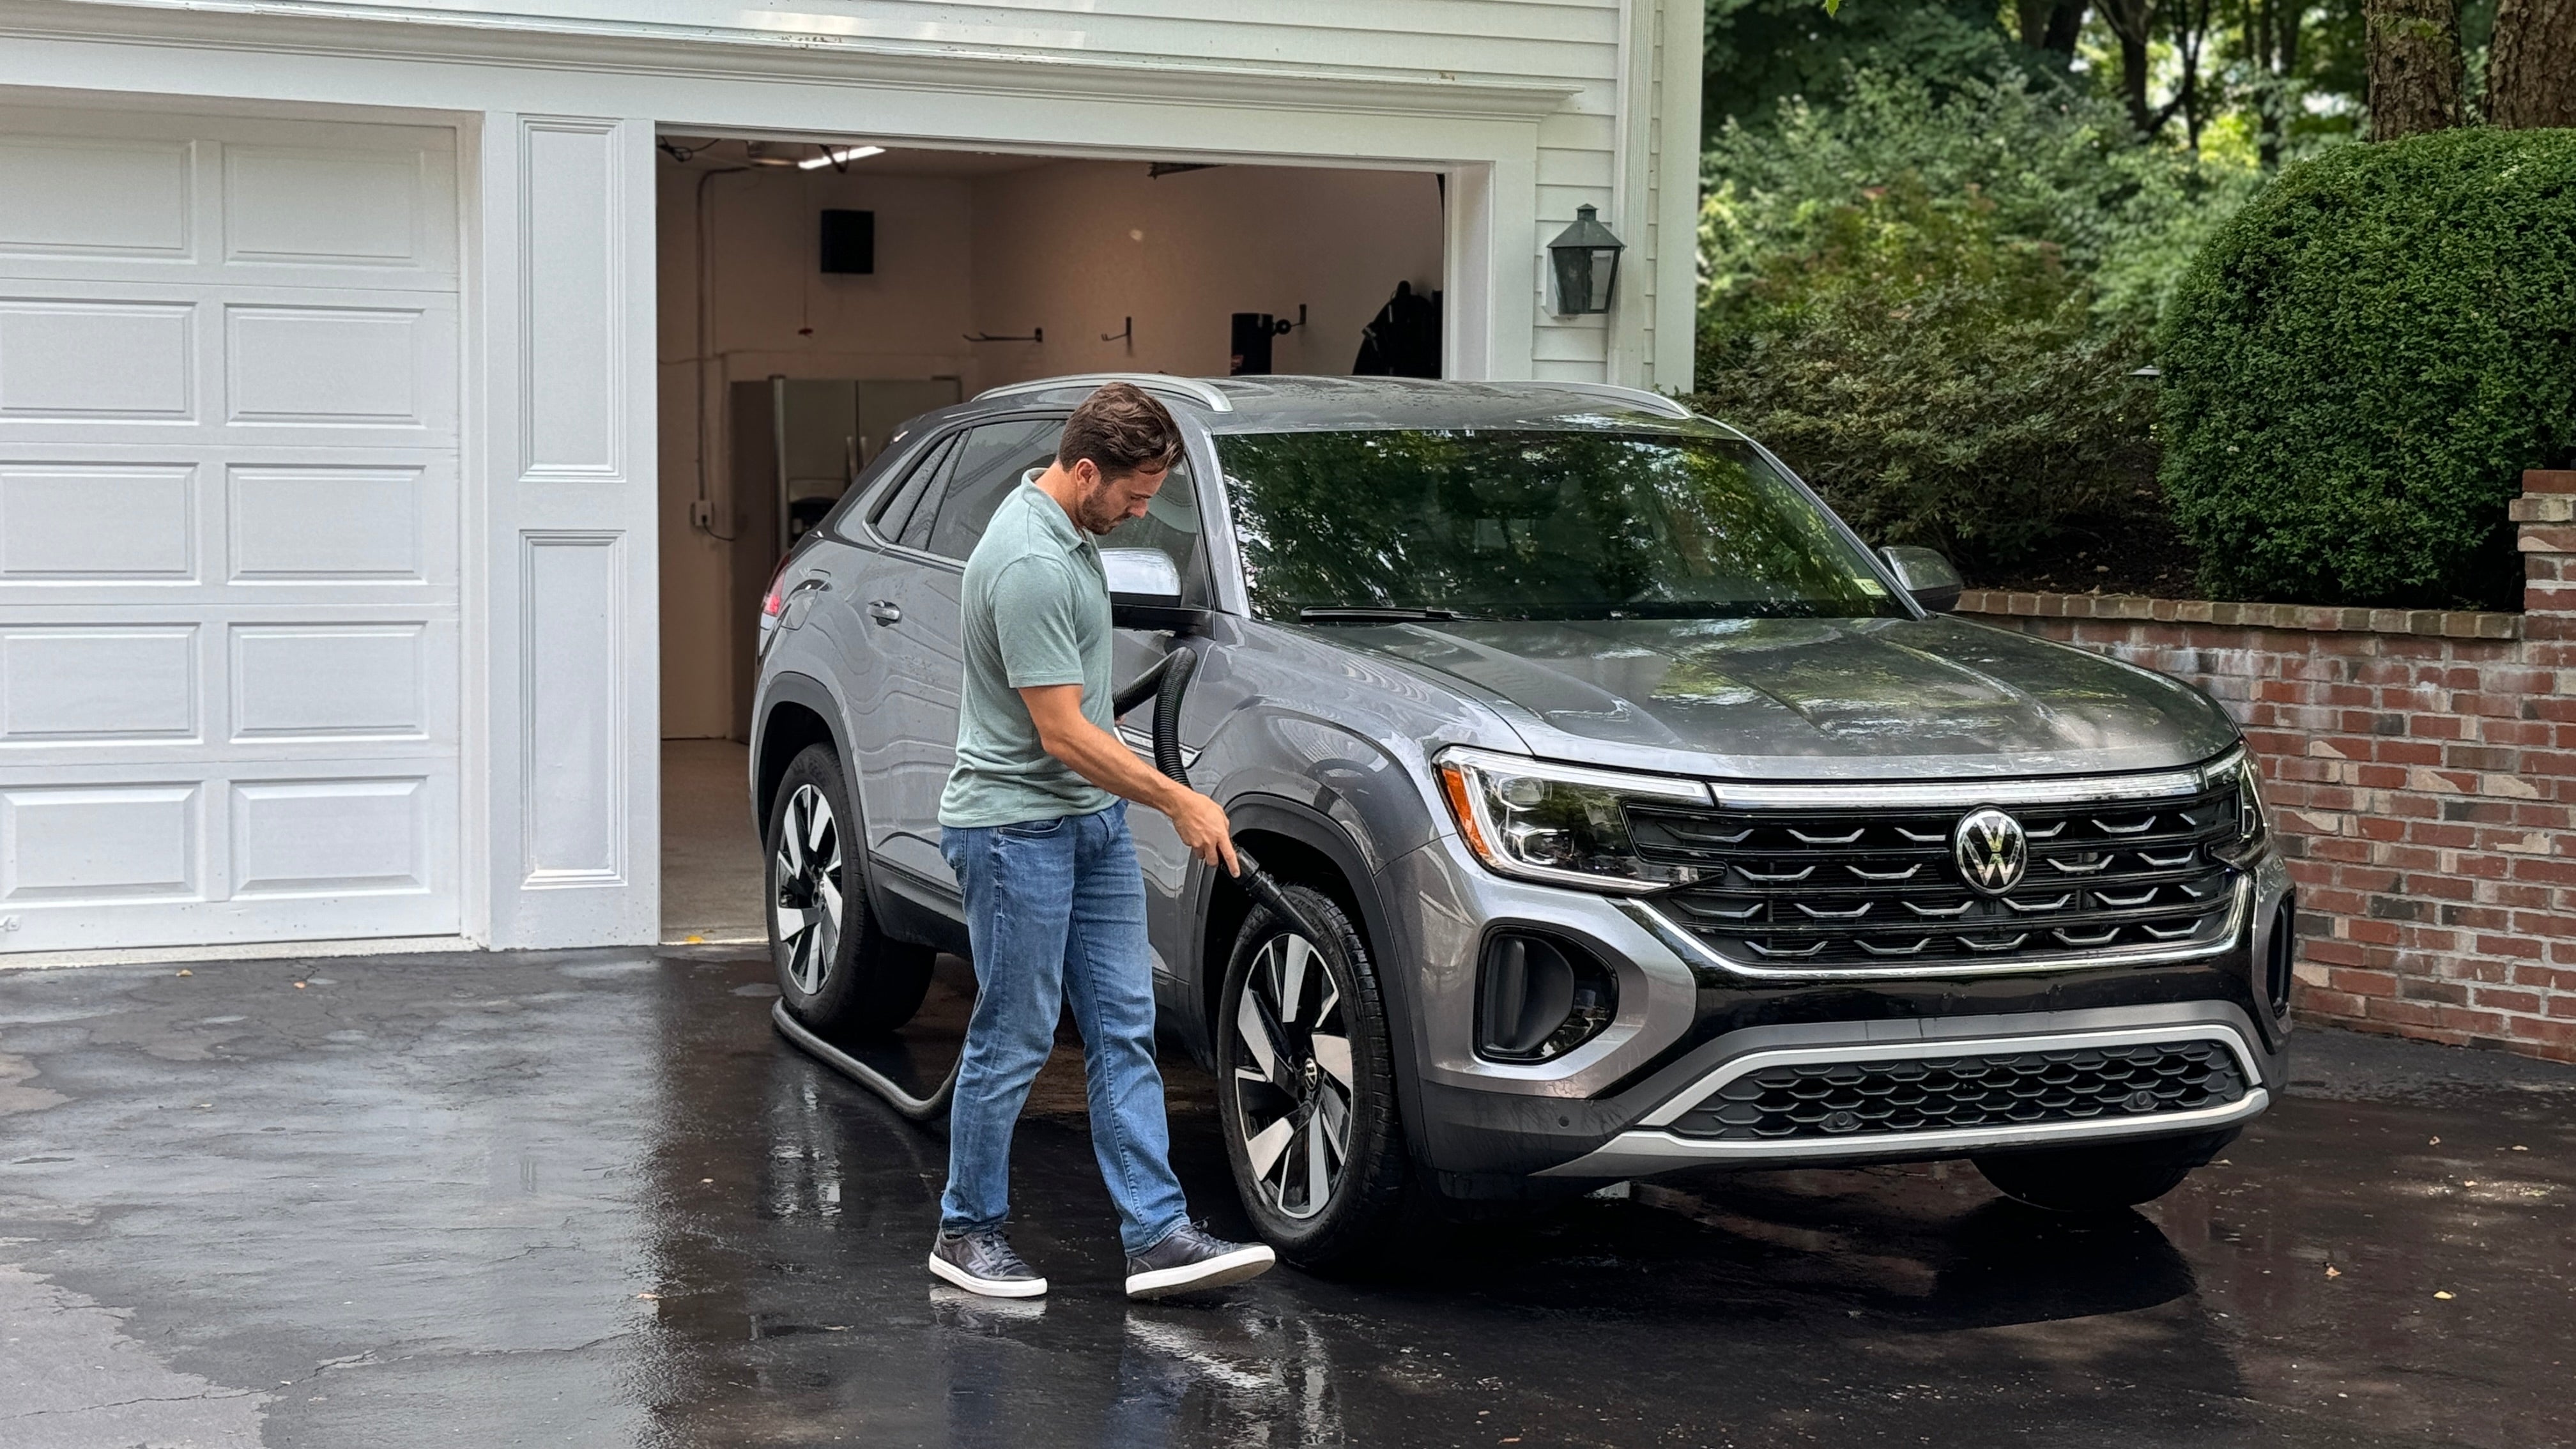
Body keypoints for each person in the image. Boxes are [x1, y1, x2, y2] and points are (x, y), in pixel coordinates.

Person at [928, 381, 1277, 1301]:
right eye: (1134, 493)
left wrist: (1139, 798)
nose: (1140, 511)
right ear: (1086, 471)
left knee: (1125, 1025)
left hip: (1088, 825)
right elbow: (1062, 734)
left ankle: (1157, 1235)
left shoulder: (1073, 532)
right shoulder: (1029, 562)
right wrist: (1180, 801)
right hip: (1015, 830)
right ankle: (966, 1231)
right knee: (1016, 1033)